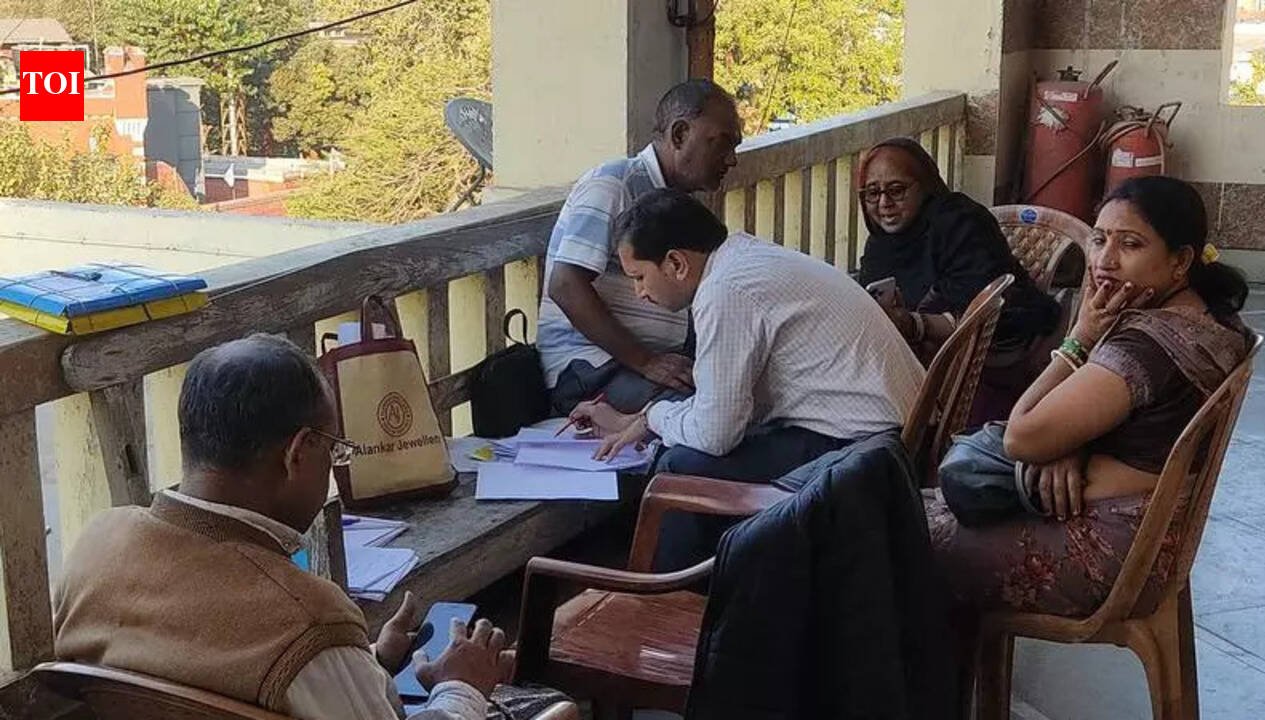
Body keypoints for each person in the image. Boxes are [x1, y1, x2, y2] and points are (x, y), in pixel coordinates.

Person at [53, 335, 563, 720]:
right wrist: (461, 686)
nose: (333, 467)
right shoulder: (306, 622)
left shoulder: (99, 543)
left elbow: (203, 658)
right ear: (297, 453)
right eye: (333, 449)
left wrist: (366, 663)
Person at [927, 176, 1252, 619]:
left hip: (1106, 547)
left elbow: (1022, 437)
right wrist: (1070, 443)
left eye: (1131, 244)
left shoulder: (1147, 346)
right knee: (900, 510)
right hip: (1143, 536)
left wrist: (1079, 339)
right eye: (1099, 240)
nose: (1105, 261)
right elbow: (1089, 418)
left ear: (1180, 261)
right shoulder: (1206, 320)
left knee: (890, 536)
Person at [572, 188, 924, 569]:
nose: (639, 292)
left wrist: (654, 418)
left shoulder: (725, 292)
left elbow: (716, 434)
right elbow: (724, 406)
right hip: (889, 430)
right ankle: (712, 581)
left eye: (639, 277)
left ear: (675, 263)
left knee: (678, 467)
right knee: (685, 444)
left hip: (865, 449)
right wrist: (648, 419)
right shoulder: (740, 259)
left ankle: (668, 595)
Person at [538, 79, 743, 416]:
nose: (732, 160)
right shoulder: (613, 185)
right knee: (702, 414)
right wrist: (646, 361)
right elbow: (565, 285)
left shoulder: (678, 205)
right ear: (680, 135)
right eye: (722, 143)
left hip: (650, 362)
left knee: (742, 394)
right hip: (591, 366)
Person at [857, 137, 1061, 423]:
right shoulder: (880, 245)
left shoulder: (961, 222)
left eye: (897, 190)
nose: (884, 204)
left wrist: (913, 324)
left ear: (924, 186)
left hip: (990, 359)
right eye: (872, 193)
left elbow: (984, 313)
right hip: (913, 362)